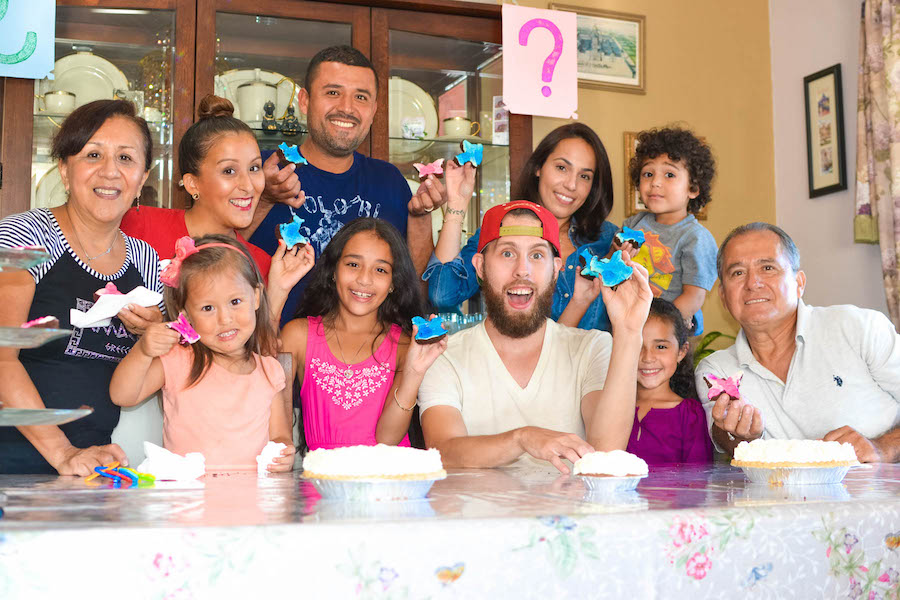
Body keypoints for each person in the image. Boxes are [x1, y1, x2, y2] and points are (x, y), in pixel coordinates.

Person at [418, 201, 652, 473]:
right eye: (507, 253)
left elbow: (605, 453)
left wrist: (629, 331)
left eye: (537, 256)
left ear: (556, 269)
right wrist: (522, 438)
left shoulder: (592, 347)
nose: (522, 270)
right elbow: (443, 452)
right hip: (478, 515)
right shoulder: (444, 355)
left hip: (568, 515)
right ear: (480, 267)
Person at [0, 100, 162, 474]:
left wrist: (154, 334)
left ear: (142, 177)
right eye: (93, 154)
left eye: (126, 158)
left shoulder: (146, 261)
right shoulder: (26, 237)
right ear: (64, 168)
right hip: (11, 465)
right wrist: (62, 452)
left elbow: (154, 374)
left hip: (92, 466)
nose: (110, 172)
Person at [244, 45, 444, 323]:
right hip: (268, 353)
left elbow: (414, 292)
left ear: (374, 110)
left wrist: (421, 217)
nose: (347, 108)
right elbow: (212, 260)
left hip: (367, 360)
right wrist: (265, 198)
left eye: (360, 97)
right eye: (333, 92)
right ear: (304, 101)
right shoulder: (263, 170)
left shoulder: (389, 181)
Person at [697, 222, 900, 463]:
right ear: (723, 296)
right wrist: (738, 435)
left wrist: (882, 448)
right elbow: (727, 441)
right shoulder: (716, 371)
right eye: (737, 273)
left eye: (768, 268)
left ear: (799, 283)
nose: (753, 283)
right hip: (784, 500)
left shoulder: (859, 327)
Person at [110, 235, 296, 471]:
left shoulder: (270, 371)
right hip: (188, 501)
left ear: (256, 297)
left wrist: (284, 451)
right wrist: (143, 351)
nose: (225, 318)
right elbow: (122, 396)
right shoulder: (177, 359)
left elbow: (280, 435)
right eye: (208, 308)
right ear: (185, 315)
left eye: (235, 301)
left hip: (249, 502)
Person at [120, 95, 313, 322]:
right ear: (193, 183)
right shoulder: (138, 224)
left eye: (254, 168)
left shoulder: (260, 264)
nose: (248, 185)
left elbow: (261, 354)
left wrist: (278, 292)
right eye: (229, 171)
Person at [426, 123, 619, 331]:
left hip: (596, 363)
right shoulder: (500, 230)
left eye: (584, 176)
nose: (571, 185)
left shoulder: (610, 241)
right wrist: (457, 205)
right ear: (538, 167)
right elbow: (443, 294)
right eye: (562, 168)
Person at [280, 218, 445, 450]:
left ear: (392, 283)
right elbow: (265, 395)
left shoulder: (405, 345)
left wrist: (414, 373)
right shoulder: (297, 336)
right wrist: (277, 292)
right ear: (333, 271)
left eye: (380, 270)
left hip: (390, 482)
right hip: (322, 485)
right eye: (353, 264)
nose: (364, 279)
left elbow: (387, 440)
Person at [617, 127, 718, 335]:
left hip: (669, 334)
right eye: (648, 174)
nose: (655, 182)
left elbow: (694, 296)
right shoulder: (633, 223)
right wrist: (616, 252)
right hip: (629, 325)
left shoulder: (696, 238)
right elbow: (614, 272)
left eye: (669, 174)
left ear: (693, 188)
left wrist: (660, 327)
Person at [626, 298, 713, 465]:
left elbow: (696, 482)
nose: (647, 358)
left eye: (660, 347)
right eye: (637, 345)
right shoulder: (609, 408)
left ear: (681, 352)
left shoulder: (689, 415)